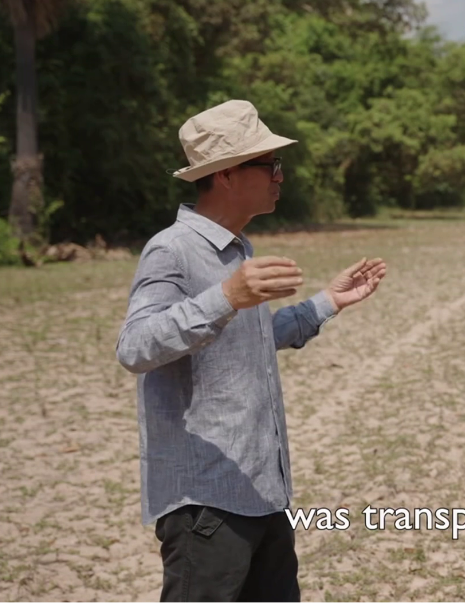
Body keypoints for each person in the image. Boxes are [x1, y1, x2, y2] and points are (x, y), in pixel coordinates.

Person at [116, 100, 387, 602]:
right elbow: (134, 347)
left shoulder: (239, 249)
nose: (280, 176)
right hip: (207, 505)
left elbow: (249, 338)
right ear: (224, 175)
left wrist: (327, 302)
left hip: (262, 489)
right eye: (270, 165)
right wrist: (225, 297)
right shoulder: (172, 250)